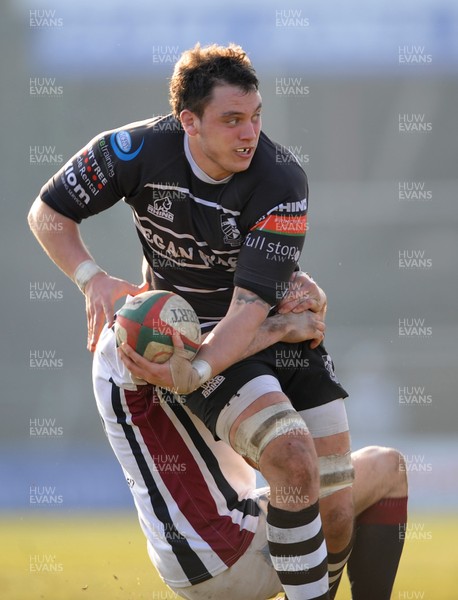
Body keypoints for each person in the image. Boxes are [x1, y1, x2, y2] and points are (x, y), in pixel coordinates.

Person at [29, 43, 354, 599]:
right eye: (231, 120)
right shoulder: (134, 151)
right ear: (189, 122)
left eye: (255, 117)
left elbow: (250, 310)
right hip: (206, 342)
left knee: (337, 502)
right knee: (292, 462)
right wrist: (93, 279)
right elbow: (48, 211)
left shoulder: (281, 181)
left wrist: (205, 364)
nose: (249, 133)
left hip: (265, 331)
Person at [92, 312, 408, 600]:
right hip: (229, 550)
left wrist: (92, 277)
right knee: (387, 467)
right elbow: (268, 455)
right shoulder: (156, 336)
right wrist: (281, 325)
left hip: (193, 555)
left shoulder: (127, 333)